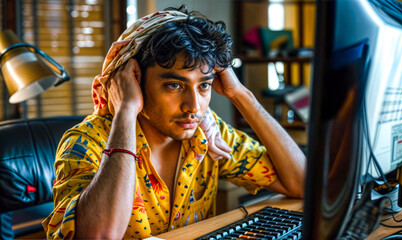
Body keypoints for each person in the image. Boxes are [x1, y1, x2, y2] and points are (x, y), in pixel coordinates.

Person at [42, 6, 306, 239]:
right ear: (133, 80)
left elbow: (303, 184)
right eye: (173, 85)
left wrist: (241, 94)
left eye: (204, 85)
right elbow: (100, 235)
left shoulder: (207, 135)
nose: (193, 106)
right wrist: (125, 112)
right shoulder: (85, 142)